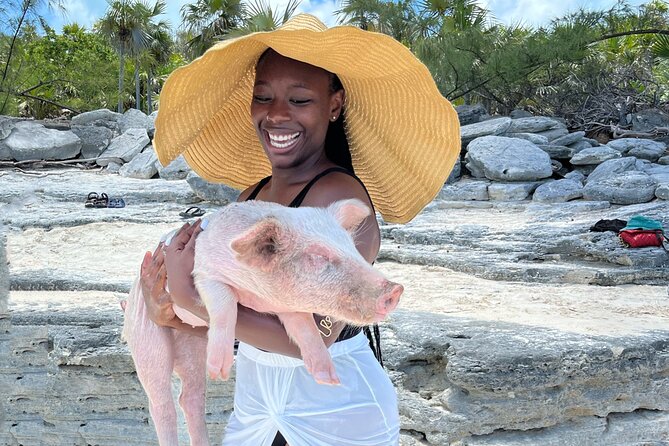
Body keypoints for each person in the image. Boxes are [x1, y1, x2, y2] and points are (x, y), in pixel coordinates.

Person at [140, 13, 460, 446]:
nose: (276, 115)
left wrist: (190, 298)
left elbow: (312, 338)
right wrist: (175, 314)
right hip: (256, 407)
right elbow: (249, 318)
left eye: (300, 100)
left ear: (334, 105)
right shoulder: (251, 198)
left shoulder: (341, 202)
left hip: (336, 411)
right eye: (263, 96)